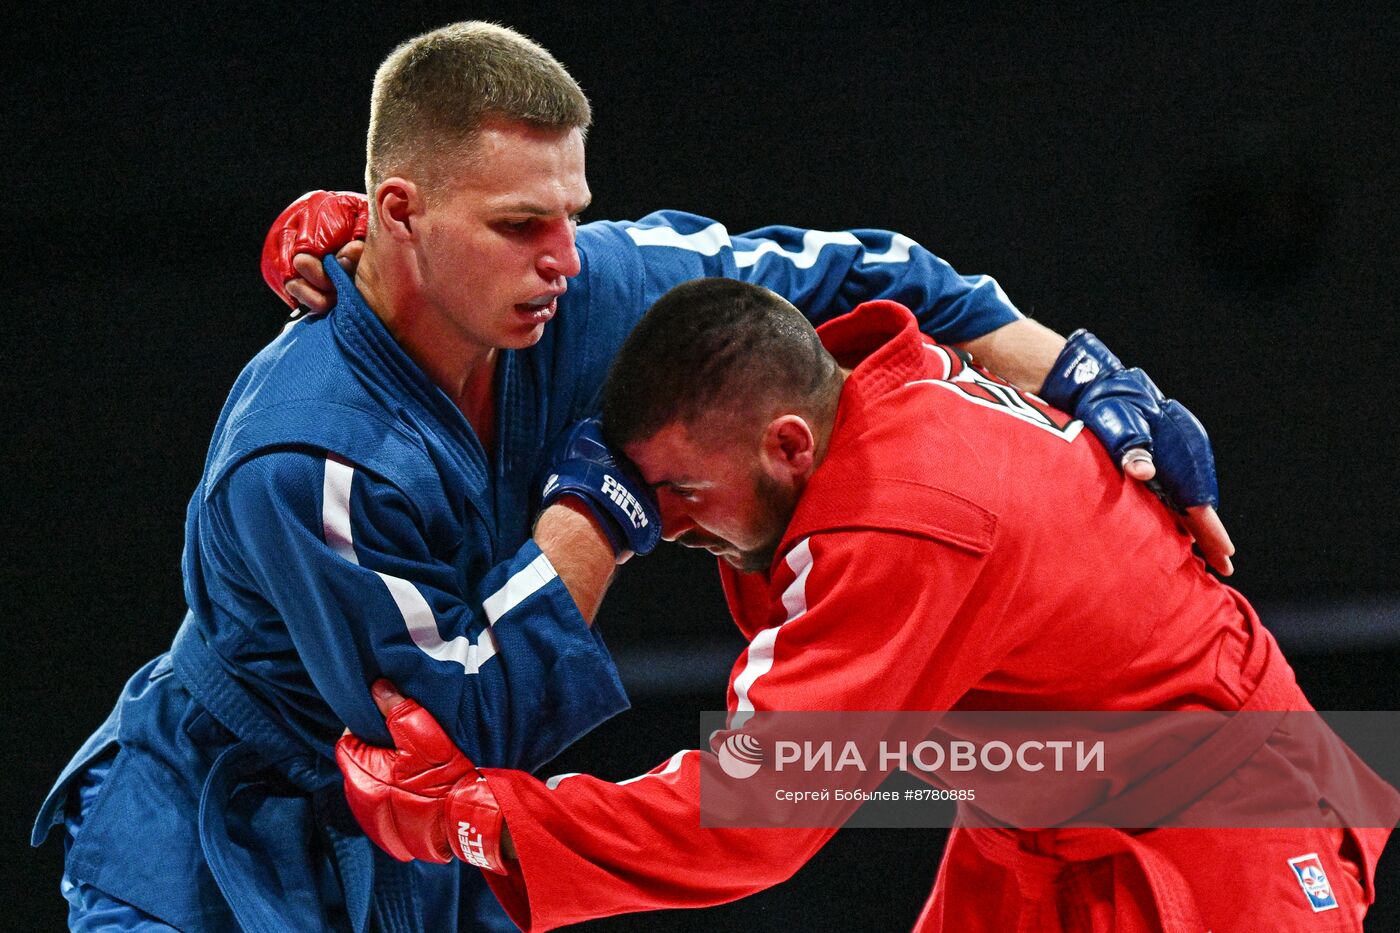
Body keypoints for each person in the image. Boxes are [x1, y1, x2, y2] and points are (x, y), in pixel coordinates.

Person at [33, 20, 1226, 933]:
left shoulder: (603, 288)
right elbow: (456, 727)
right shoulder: (308, 452)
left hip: (1193, 789)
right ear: (396, 216)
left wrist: (1090, 373)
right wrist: (595, 509)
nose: (561, 259)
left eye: (569, 215)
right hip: (227, 835)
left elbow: (893, 271)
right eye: (515, 226)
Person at [337, 278, 1397, 932]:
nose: (663, 527)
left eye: (682, 496)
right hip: (1047, 808)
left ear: (788, 445)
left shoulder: (900, 521)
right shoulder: (867, 380)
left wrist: (477, 819)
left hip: (1227, 825)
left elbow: (754, 817)